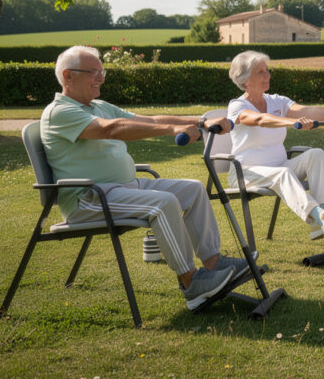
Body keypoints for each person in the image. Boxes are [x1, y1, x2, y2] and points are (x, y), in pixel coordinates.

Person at [40, 46, 244, 311]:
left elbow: (151, 119)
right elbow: (111, 129)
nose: (100, 78)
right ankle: (191, 283)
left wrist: (202, 120)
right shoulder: (60, 112)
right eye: (92, 72)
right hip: (89, 199)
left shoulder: (98, 106)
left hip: (123, 188)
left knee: (193, 189)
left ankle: (213, 264)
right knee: (164, 203)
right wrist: (172, 129)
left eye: (101, 71)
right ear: (68, 76)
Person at [226, 51, 324, 247]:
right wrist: (291, 122)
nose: (267, 75)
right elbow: (260, 119)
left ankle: (322, 222)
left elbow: (308, 110)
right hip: (245, 172)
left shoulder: (276, 101)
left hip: (279, 166)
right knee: (283, 173)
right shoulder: (237, 106)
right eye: (260, 72)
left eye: (267, 70)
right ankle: (323, 218)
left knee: (316, 154)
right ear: (244, 80)